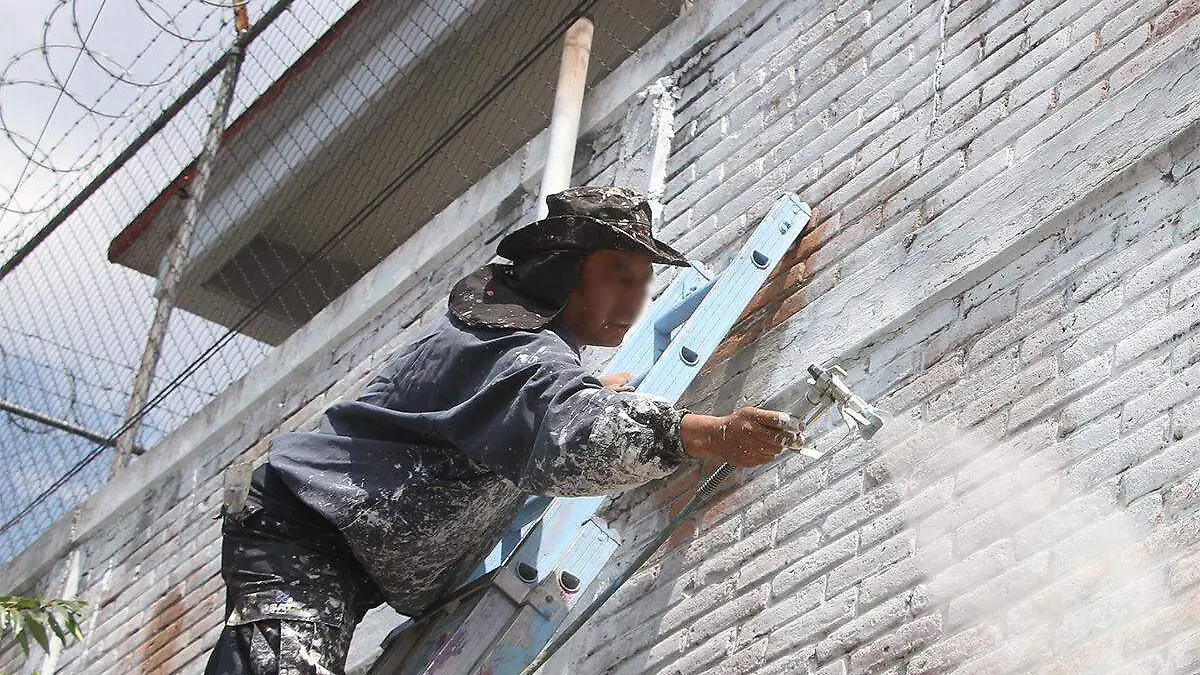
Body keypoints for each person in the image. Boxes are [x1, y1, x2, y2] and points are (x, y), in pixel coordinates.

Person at [204, 186, 798, 674]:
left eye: (644, 280)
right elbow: (571, 435)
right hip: (306, 535)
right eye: (619, 273)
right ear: (566, 272)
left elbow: (542, 409)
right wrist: (709, 434)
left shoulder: (509, 351)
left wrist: (594, 396)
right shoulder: (511, 351)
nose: (637, 297)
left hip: (349, 558)